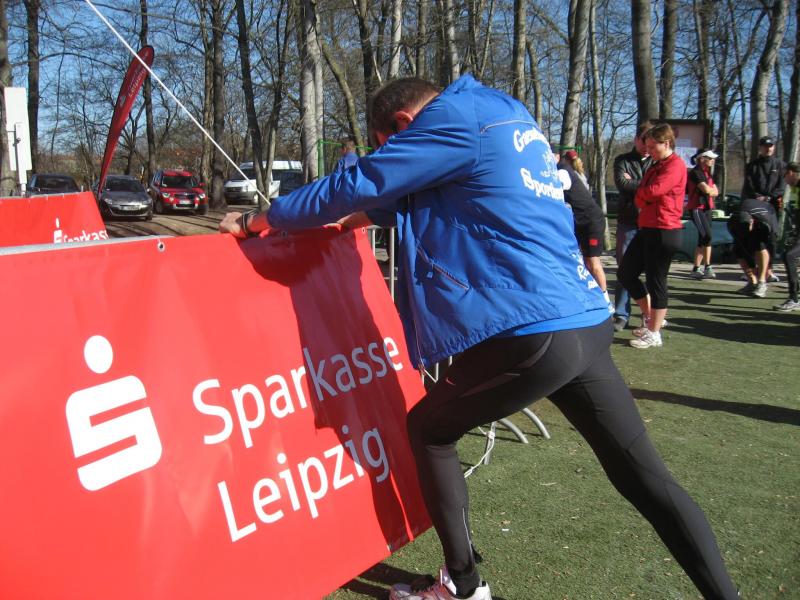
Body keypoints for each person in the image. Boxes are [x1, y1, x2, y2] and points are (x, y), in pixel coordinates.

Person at [220, 76, 739, 600]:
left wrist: (258, 220)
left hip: (533, 329)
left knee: (428, 429)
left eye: (389, 146)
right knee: (642, 476)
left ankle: (463, 586)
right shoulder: (501, 114)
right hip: (582, 317)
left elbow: (362, 183)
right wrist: (333, 221)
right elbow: (397, 203)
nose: (393, 156)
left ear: (403, 124)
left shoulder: (451, 120)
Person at [618, 123, 685, 349]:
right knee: (626, 273)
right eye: (646, 147)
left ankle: (654, 333)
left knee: (656, 280)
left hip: (664, 230)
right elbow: (644, 192)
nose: (649, 151)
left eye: (653, 147)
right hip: (647, 227)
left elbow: (654, 191)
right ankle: (652, 318)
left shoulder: (675, 165)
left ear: (666, 143)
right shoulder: (656, 165)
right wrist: (643, 194)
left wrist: (641, 193)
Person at [612, 122, 653, 331]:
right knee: (624, 270)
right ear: (636, 139)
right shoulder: (622, 160)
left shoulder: (657, 162)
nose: (647, 146)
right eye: (644, 141)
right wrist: (647, 184)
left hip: (652, 223)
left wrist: (637, 183)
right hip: (628, 221)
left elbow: (660, 188)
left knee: (652, 272)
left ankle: (649, 315)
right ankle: (621, 314)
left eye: (651, 142)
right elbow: (622, 184)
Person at [558, 148, 611, 310]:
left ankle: (606, 302)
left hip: (590, 221)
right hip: (581, 221)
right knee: (585, 262)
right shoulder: (571, 172)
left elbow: (556, 188)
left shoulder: (563, 172)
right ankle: (593, 296)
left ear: (559, 157)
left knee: (593, 262)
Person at [742, 136, 785, 281]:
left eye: (770, 146)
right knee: (754, 238)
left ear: (774, 147)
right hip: (755, 206)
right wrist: (757, 197)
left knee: (771, 239)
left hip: (772, 207)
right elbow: (748, 186)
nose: (768, 149)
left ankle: (769, 270)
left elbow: (781, 187)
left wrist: (769, 197)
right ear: (760, 148)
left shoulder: (780, 165)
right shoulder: (752, 165)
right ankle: (754, 269)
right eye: (765, 146)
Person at [686, 149, 720, 280]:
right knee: (707, 236)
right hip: (697, 208)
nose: (712, 160)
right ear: (702, 159)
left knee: (703, 238)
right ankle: (708, 267)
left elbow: (715, 191)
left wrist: (712, 191)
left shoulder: (708, 173)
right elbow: (707, 190)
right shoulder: (696, 173)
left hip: (707, 209)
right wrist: (711, 191)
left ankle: (696, 269)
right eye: (710, 158)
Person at [774, 162, 800, 311]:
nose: (784, 180)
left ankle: (794, 299)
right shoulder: (795, 188)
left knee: (789, 256)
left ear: (790, 173)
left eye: (784, 176)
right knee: (790, 256)